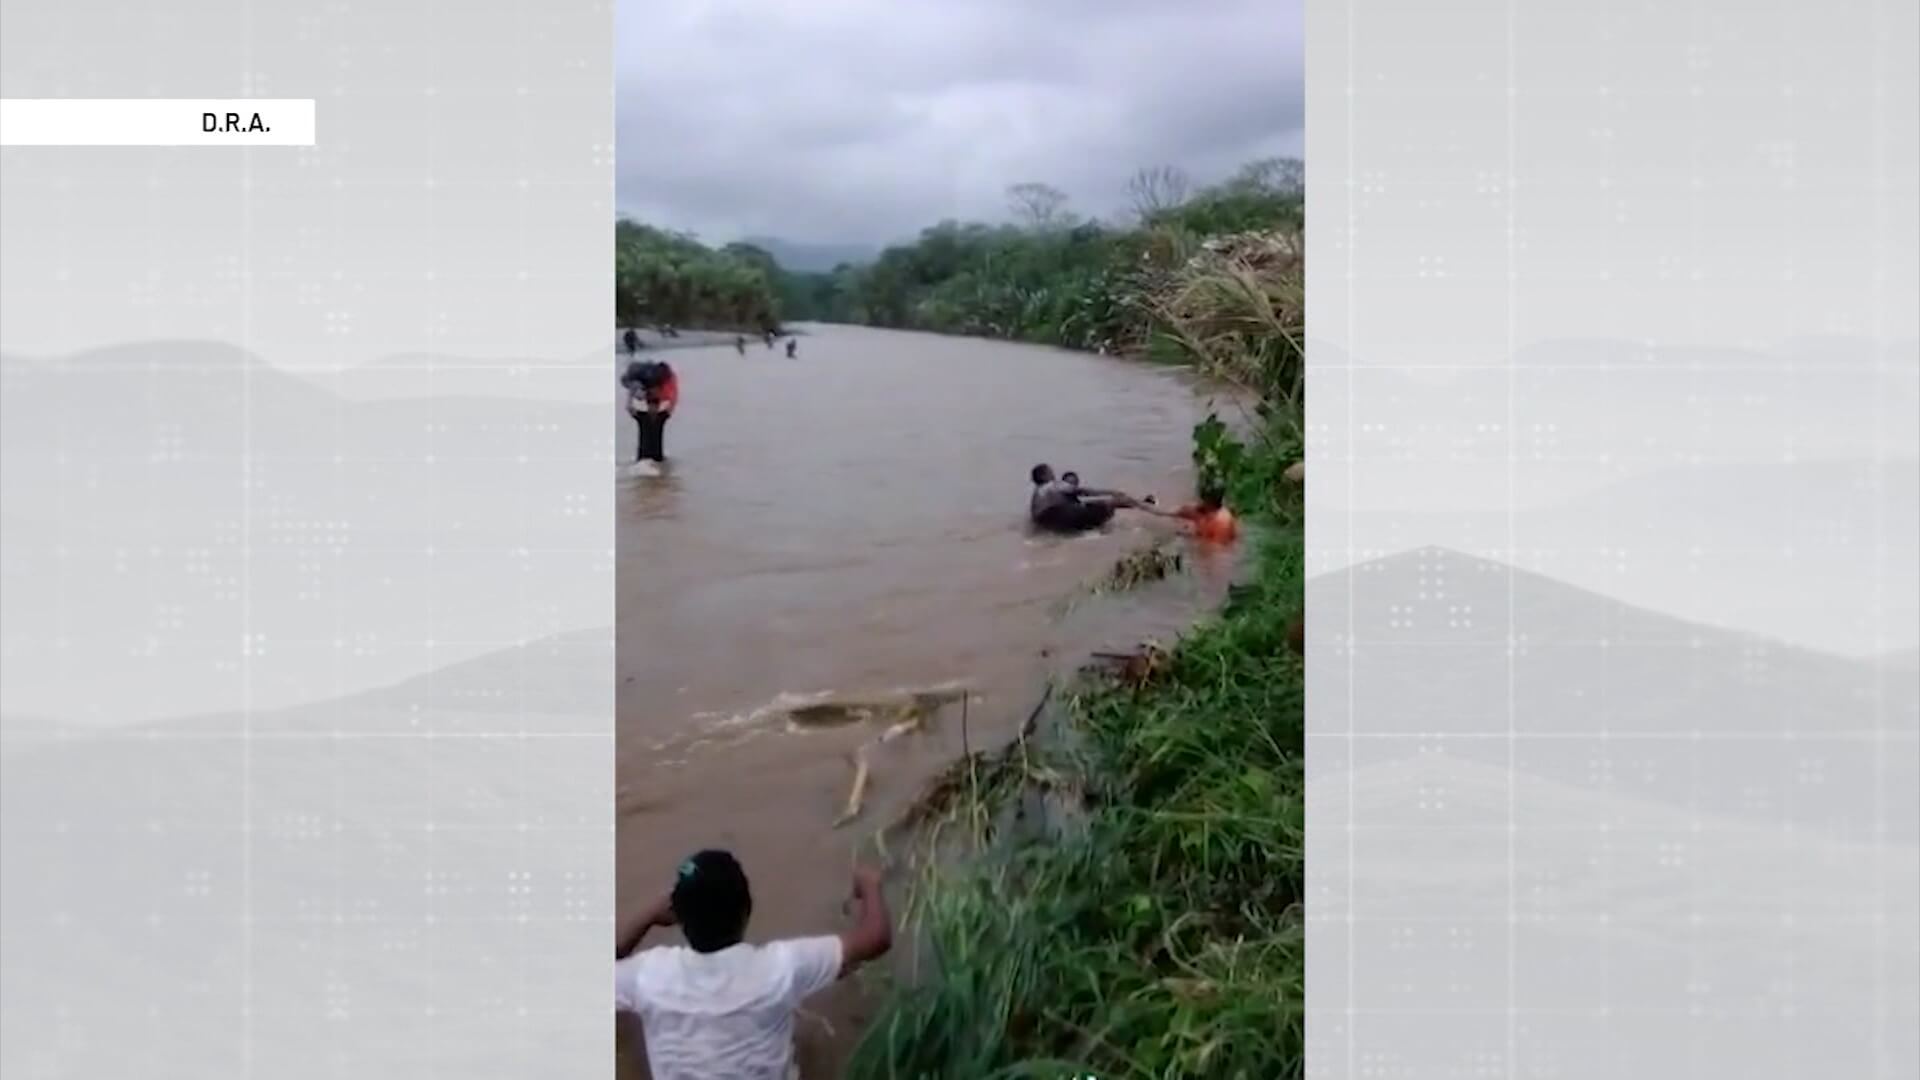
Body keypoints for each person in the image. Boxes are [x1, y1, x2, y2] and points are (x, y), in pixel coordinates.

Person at [615, 851, 894, 1080]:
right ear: (747, 909)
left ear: (678, 919)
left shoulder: (648, 976)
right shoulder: (779, 969)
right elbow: (876, 938)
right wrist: (869, 884)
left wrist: (648, 916)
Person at [1028, 463, 1143, 533]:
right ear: (1044, 475)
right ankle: (1150, 507)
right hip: (1061, 517)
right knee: (1110, 504)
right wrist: (1113, 492)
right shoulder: (1052, 485)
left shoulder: (1037, 494)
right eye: (1050, 471)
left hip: (1046, 523)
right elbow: (1085, 491)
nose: (1053, 474)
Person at [622, 360, 679, 463]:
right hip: (645, 389)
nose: (652, 410)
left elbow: (673, 396)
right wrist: (629, 404)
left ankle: (650, 459)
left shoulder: (662, 386)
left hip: (648, 457)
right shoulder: (652, 383)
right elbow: (632, 388)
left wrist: (629, 404)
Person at [1145, 483, 1240, 544]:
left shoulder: (1218, 521)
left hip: (1212, 547)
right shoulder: (1220, 514)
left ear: (1209, 501)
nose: (1200, 501)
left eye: (1203, 499)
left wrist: (1185, 534)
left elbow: (1209, 546)